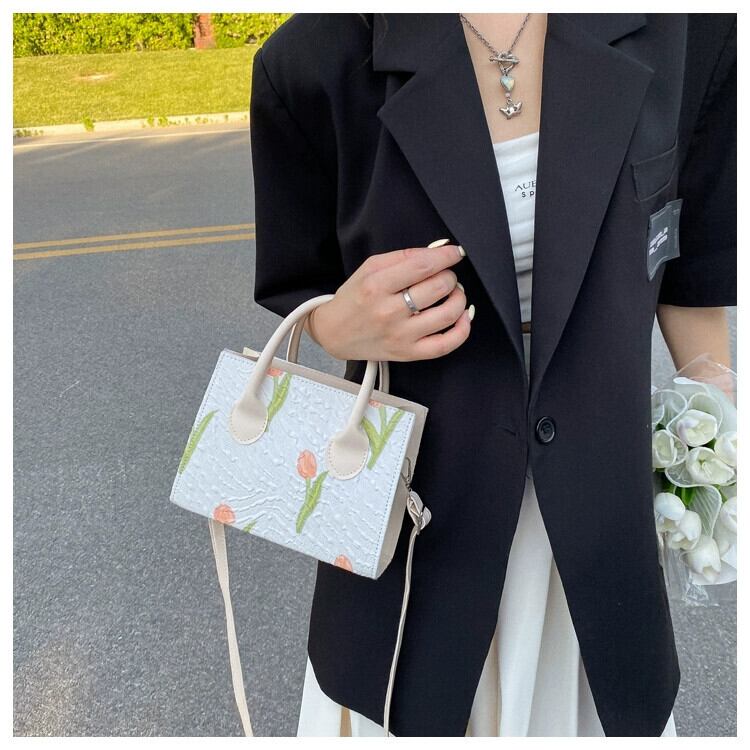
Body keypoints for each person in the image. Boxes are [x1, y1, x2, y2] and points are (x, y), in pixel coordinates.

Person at [249, 12, 736, 737]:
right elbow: (302, 283)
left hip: (601, 541)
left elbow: (689, 263)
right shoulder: (314, 57)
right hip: (417, 533)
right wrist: (338, 324)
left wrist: (718, 442)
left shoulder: (690, 25)